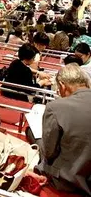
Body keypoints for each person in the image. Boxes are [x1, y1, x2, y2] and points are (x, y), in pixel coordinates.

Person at [34, 64, 91, 195]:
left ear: (62, 85)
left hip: (68, 179)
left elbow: (49, 152)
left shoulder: (56, 107)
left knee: (35, 136)